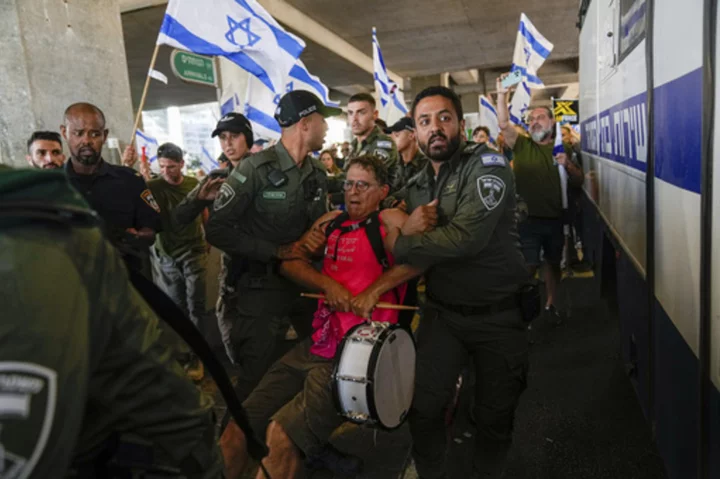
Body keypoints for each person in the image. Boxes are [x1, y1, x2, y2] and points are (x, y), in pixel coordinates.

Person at [0, 166, 224, 478]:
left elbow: (158, 222)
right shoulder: (50, 207)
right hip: (157, 268)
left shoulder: (30, 229)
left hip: (146, 272)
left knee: (190, 312)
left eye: (93, 133)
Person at [219, 155, 415, 479]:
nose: (352, 192)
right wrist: (327, 282)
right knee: (238, 426)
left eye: (363, 185)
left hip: (355, 356)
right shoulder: (332, 221)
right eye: (348, 183)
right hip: (318, 344)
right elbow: (288, 263)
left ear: (383, 191)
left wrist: (374, 291)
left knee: (280, 439)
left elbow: (423, 258)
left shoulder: (389, 219)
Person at [384, 86, 531, 479]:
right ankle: (431, 471)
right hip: (443, 315)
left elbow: (466, 238)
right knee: (425, 408)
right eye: (425, 121)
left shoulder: (487, 165)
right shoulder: (416, 183)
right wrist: (393, 222)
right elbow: (385, 211)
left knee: (493, 415)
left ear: (461, 126)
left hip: (498, 316)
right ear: (415, 132)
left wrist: (404, 242)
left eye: (444, 118)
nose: (435, 128)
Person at [204, 90, 339, 401]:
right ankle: (239, 443)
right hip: (260, 289)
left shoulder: (317, 172)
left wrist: (320, 238)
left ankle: (290, 441)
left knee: (317, 360)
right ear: (305, 124)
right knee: (257, 376)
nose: (327, 128)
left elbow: (315, 225)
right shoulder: (254, 170)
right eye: (322, 120)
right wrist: (277, 251)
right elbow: (218, 230)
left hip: (304, 285)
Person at [496, 75, 584, 321]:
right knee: (529, 266)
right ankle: (523, 310)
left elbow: (579, 181)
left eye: (540, 118)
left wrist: (567, 165)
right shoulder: (522, 145)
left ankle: (551, 304)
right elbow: (503, 124)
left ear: (552, 121)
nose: (534, 122)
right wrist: (502, 95)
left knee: (553, 265)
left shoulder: (562, 149)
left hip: (556, 219)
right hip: (526, 221)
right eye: (531, 119)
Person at [173, 113, 254, 363]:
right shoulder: (217, 178)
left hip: (266, 273)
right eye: (222, 138)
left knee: (262, 350)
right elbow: (179, 217)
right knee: (232, 341)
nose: (228, 143)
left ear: (247, 138)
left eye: (234, 136)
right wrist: (200, 199)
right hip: (232, 275)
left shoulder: (265, 173)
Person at [60, 102, 161, 275]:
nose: (86, 141)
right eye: (78, 133)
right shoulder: (53, 185)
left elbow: (151, 231)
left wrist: (136, 237)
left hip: (126, 279)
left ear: (104, 135)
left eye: (94, 134)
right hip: (73, 284)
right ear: (64, 133)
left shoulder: (130, 180)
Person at [147, 142, 209, 379]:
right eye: (162, 166)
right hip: (167, 256)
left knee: (197, 306)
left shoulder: (194, 184)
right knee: (178, 309)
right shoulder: (152, 186)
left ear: (182, 164)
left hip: (193, 250)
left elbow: (203, 210)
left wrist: (208, 234)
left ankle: (199, 356)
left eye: (171, 166)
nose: (166, 171)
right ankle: (184, 354)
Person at [346, 93, 400, 189]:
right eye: (350, 113)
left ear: (375, 115)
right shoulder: (354, 145)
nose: (354, 119)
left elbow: (363, 179)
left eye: (361, 112)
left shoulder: (383, 144)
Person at [385, 117, 427, 188]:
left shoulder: (426, 165)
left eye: (396, 135)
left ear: (412, 135)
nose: (392, 139)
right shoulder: (391, 163)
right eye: (391, 135)